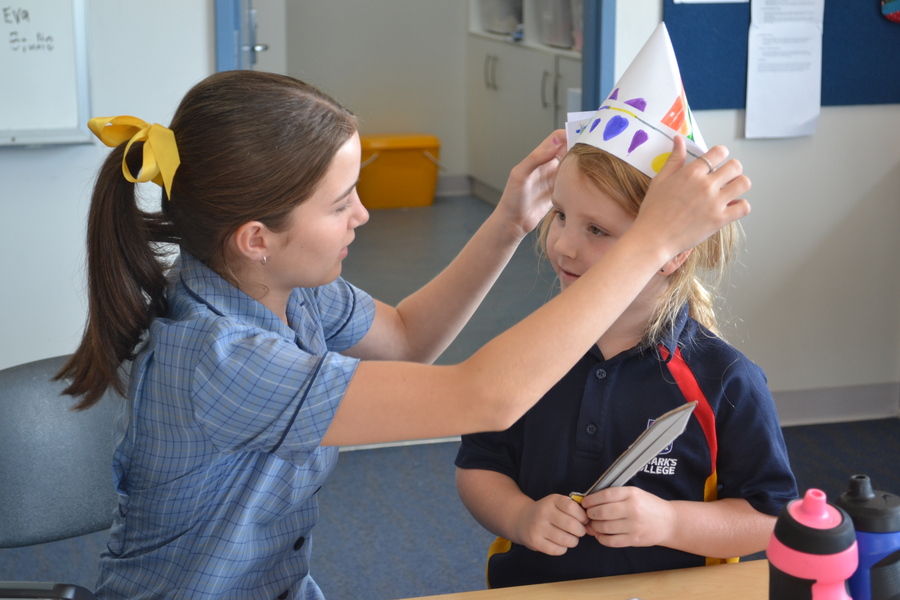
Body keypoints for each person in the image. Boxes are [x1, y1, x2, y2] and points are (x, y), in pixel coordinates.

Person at [57, 68, 749, 600]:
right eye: (339, 203)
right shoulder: (221, 360)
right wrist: (649, 241)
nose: (363, 214)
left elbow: (410, 337)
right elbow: (486, 398)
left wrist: (510, 221)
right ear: (258, 238)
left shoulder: (292, 291)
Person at [454, 24, 796, 590]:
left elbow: (768, 518)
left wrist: (668, 521)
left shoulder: (726, 381)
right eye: (560, 214)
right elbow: (479, 468)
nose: (563, 243)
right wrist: (518, 515)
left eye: (597, 229)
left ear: (670, 251)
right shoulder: (526, 354)